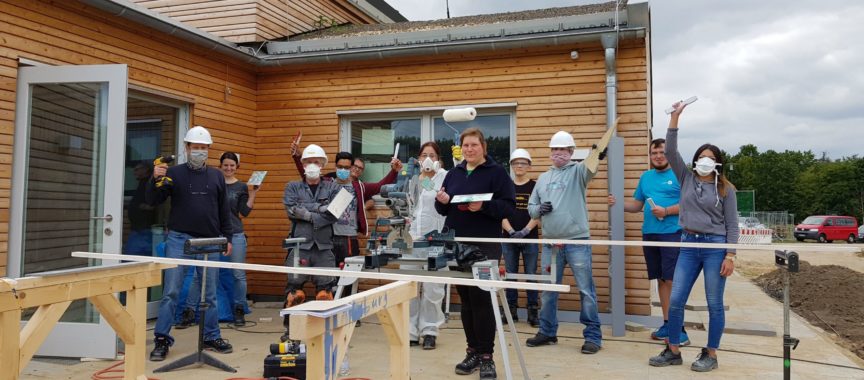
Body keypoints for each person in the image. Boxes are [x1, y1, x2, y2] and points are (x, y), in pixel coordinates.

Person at [649, 101, 738, 372]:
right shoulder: (686, 178)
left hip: (715, 247)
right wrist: (675, 117)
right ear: (696, 160)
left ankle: (710, 353)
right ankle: (673, 349)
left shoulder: (726, 189)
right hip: (687, 243)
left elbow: (732, 225)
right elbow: (672, 149)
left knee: (714, 304)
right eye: (702, 156)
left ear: (717, 162)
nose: (705, 160)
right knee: (676, 300)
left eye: (710, 157)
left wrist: (731, 255)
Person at [146, 125, 234, 361]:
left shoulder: (216, 175)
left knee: (210, 293)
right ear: (186, 148)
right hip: (179, 238)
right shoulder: (173, 173)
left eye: (204, 148)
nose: (200, 152)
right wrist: (154, 178)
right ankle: (162, 339)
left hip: (210, 240)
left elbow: (223, 208)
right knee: (171, 291)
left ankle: (211, 335)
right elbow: (154, 199)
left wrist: (228, 237)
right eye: (196, 147)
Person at [435, 128, 515, 380]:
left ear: (483, 147)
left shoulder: (497, 172)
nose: (469, 149)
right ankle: (471, 352)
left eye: (474, 145)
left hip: (484, 245)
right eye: (465, 146)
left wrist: (484, 206)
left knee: (482, 302)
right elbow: (442, 209)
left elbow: (508, 208)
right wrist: (442, 200)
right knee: (466, 302)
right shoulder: (453, 173)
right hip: (457, 244)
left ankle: (486, 357)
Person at [525, 130, 604, 355]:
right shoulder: (543, 178)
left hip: (577, 241)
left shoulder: (578, 172)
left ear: (571, 152)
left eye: (563, 149)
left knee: (586, 290)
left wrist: (597, 154)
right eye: (555, 149)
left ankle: (593, 337)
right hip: (551, 243)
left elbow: (591, 166)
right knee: (548, 290)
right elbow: (531, 208)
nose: (558, 153)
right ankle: (547, 331)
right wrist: (539, 209)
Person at [608, 139, 689, 345]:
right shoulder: (646, 177)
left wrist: (667, 211)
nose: (658, 156)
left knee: (672, 281)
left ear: (669, 154)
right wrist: (618, 204)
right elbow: (637, 205)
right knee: (661, 280)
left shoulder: (680, 174)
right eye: (654, 153)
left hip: (673, 234)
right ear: (650, 155)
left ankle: (679, 329)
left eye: (662, 152)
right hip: (650, 234)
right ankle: (667, 322)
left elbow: (689, 204)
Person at [179, 152, 261, 328]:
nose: (229, 168)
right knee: (197, 274)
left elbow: (244, 212)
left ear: (236, 167)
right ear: (220, 166)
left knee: (238, 274)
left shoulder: (240, 186)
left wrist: (253, 193)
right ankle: (189, 311)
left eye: (232, 165)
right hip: (211, 234)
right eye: (226, 165)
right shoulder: (212, 182)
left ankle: (239, 308)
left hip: (236, 234)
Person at [283, 144, 341, 307]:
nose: (312, 165)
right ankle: (290, 331)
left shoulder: (333, 187)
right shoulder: (292, 187)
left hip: (324, 248)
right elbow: (291, 211)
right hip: (299, 247)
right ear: (303, 164)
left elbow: (334, 214)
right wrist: (321, 208)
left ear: (322, 164)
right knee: (294, 295)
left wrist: (306, 213)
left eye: (316, 161)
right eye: (308, 161)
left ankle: (323, 330)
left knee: (325, 294)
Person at [406, 142, 448, 350]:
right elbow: (408, 206)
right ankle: (411, 331)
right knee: (411, 287)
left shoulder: (445, 177)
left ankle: (430, 330)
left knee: (433, 288)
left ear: (438, 158)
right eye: (424, 155)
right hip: (413, 238)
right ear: (418, 158)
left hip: (436, 238)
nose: (428, 158)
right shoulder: (414, 178)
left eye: (432, 155)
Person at [500, 148, 540, 327]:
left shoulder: (536, 186)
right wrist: (510, 232)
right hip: (509, 239)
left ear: (529, 166)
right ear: (512, 166)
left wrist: (525, 231)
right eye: (516, 163)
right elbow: (500, 212)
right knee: (510, 275)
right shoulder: (505, 186)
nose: (519, 166)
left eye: (523, 163)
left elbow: (539, 213)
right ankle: (511, 311)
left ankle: (533, 312)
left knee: (531, 275)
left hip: (530, 237)